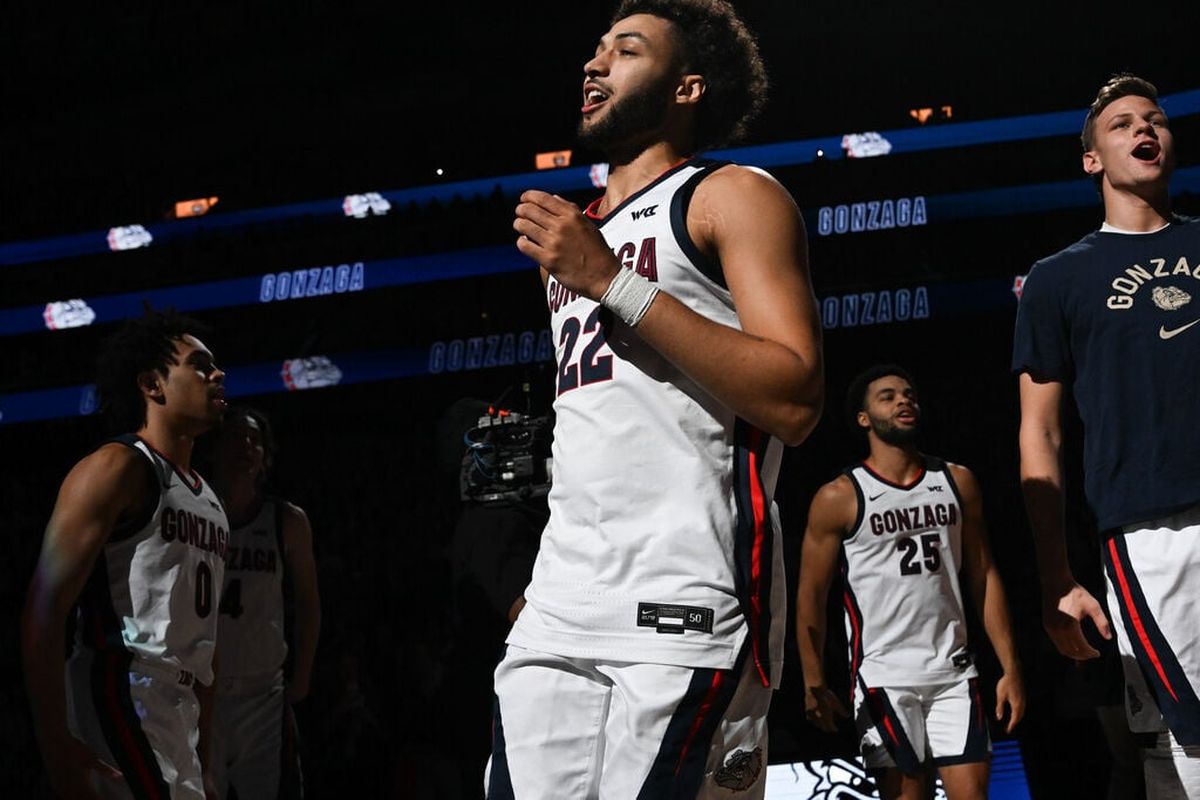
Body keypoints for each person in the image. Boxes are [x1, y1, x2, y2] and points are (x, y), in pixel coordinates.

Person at [490, 0, 824, 797]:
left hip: (685, 598)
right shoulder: (574, 239)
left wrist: (610, 280)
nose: (593, 64)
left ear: (688, 87)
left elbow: (796, 396)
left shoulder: (730, 195)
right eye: (596, 49)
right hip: (560, 601)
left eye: (626, 50)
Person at [1014, 74, 1200, 796]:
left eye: (1154, 119)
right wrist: (1056, 575)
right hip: (1152, 535)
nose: (1143, 130)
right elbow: (1041, 434)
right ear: (1092, 158)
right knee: (1186, 744)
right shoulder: (1058, 280)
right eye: (1121, 124)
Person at [20, 310, 229, 799]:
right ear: (153, 384)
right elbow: (42, 613)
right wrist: (56, 744)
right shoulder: (116, 466)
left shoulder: (211, 501)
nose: (217, 375)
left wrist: (205, 755)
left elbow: (205, 644)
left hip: (182, 711)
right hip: (121, 687)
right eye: (199, 365)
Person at [796, 365, 1025, 800]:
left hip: (954, 671)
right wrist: (813, 680)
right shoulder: (840, 496)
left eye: (909, 394)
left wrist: (1010, 667)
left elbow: (984, 574)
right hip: (885, 675)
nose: (904, 401)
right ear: (863, 419)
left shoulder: (957, 481)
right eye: (888, 396)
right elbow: (811, 594)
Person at [201, 407, 320, 799]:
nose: (247, 446)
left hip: (263, 694)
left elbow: (308, 604)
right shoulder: (192, 516)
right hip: (203, 695)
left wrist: (301, 678)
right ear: (215, 448)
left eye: (255, 439)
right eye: (236, 436)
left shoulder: (286, 519)